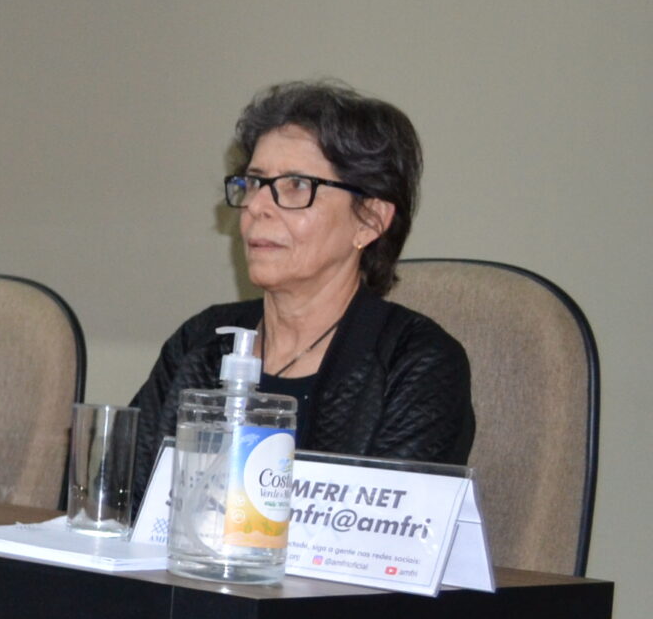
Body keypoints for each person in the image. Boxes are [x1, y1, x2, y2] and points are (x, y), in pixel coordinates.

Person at [127, 80, 473, 490]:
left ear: (370, 219)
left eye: (296, 186)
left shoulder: (415, 363)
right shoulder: (200, 343)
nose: (256, 206)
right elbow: (119, 499)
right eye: (254, 182)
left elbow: (378, 540)